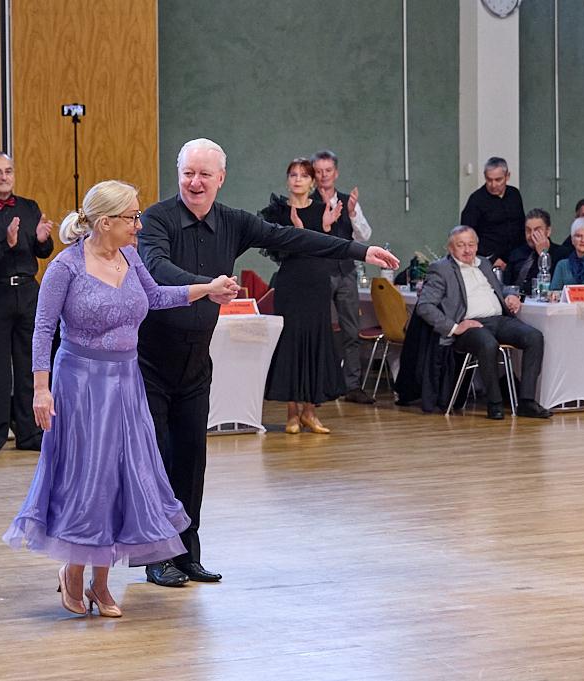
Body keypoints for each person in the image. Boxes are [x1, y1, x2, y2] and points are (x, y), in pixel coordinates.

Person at [137, 138, 399, 587]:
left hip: (197, 362)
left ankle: (187, 555)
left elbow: (293, 237)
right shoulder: (158, 219)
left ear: (221, 179)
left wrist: (358, 250)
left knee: (192, 461)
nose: (195, 182)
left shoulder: (233, 222)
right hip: (152, 360)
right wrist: (207, 286)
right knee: (158, 460)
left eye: (204, 174)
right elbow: (154, 267)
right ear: (178, 175)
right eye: (188, 173)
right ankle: (157, 558)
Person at [2, 180, 239, 618]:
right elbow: (41, 331)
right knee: (86, 481)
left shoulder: (131, 256)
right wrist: (40, 388)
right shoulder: (65, 267)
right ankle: (73, 574)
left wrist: (207, 288)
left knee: (121, 480)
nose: (139, 224)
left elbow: (154, 297)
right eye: (132, 216)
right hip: (80, 384)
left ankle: (102, 581)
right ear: (106, 221)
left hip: (126, 381)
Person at [416, 226, 551, 420]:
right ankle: (494, 402)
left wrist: (510, 295)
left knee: (534, 336)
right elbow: (425, 306)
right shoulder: (441, 269)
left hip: (498, 319)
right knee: (488, 344)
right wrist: (455, 327)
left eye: (471, 244)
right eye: (461, 245)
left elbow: (499, 289)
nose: (467, 250)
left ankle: (527, 401)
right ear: (450, 248)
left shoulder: (484, 264)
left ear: (477, 245)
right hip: (469, 325)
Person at [0, 151, 54, 455]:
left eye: (8, 171)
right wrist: (7, 244)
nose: (4, 177)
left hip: (28, 291)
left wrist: (43, 239)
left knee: (28, 365)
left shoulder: (28, 206)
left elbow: (41, 251)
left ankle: (30, 433)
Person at [262, 158, 345, 433]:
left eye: (303, 175)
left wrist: (327, 229)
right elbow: (274, 251)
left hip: (317, 283)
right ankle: (292, 414)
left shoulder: (323, 210)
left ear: (312, 182)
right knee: (291, 342)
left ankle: (311, 411)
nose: (298, 179)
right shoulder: (277, 212)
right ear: (288, 180)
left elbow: (335, 249)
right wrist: (295, 233)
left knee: (316, 341)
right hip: (290, 283)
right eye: (293, 175)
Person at [311, 149, 374, 404]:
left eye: (328, 171)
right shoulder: (308, 201)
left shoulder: (349, 201)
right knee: (319, 330)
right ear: (314, 175)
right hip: (319, 274)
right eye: (319, 171)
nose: (324, 176)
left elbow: (364, 237)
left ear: (336, 173)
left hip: (346, 272)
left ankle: (352, 386)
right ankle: (318, 385)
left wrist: (351, 213)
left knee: (351, 330)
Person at [458, 157, 525, 269]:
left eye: (498, 180)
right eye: (489, 180)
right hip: (489, 260)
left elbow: (521, 225)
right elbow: (468, 235)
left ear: (507, 176)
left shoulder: (514, 194)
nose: (493, 185)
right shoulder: (476, 200)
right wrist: (491, 258)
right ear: (485, 176)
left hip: (515, 257)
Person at [505, 208, 570, 296]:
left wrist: (543, 255)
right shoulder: (516, 253)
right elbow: (506, 285)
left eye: (537, 230)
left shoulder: (562, 254)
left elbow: (557, 286)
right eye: (528, 230)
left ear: (548, 231)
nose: (532, 235)